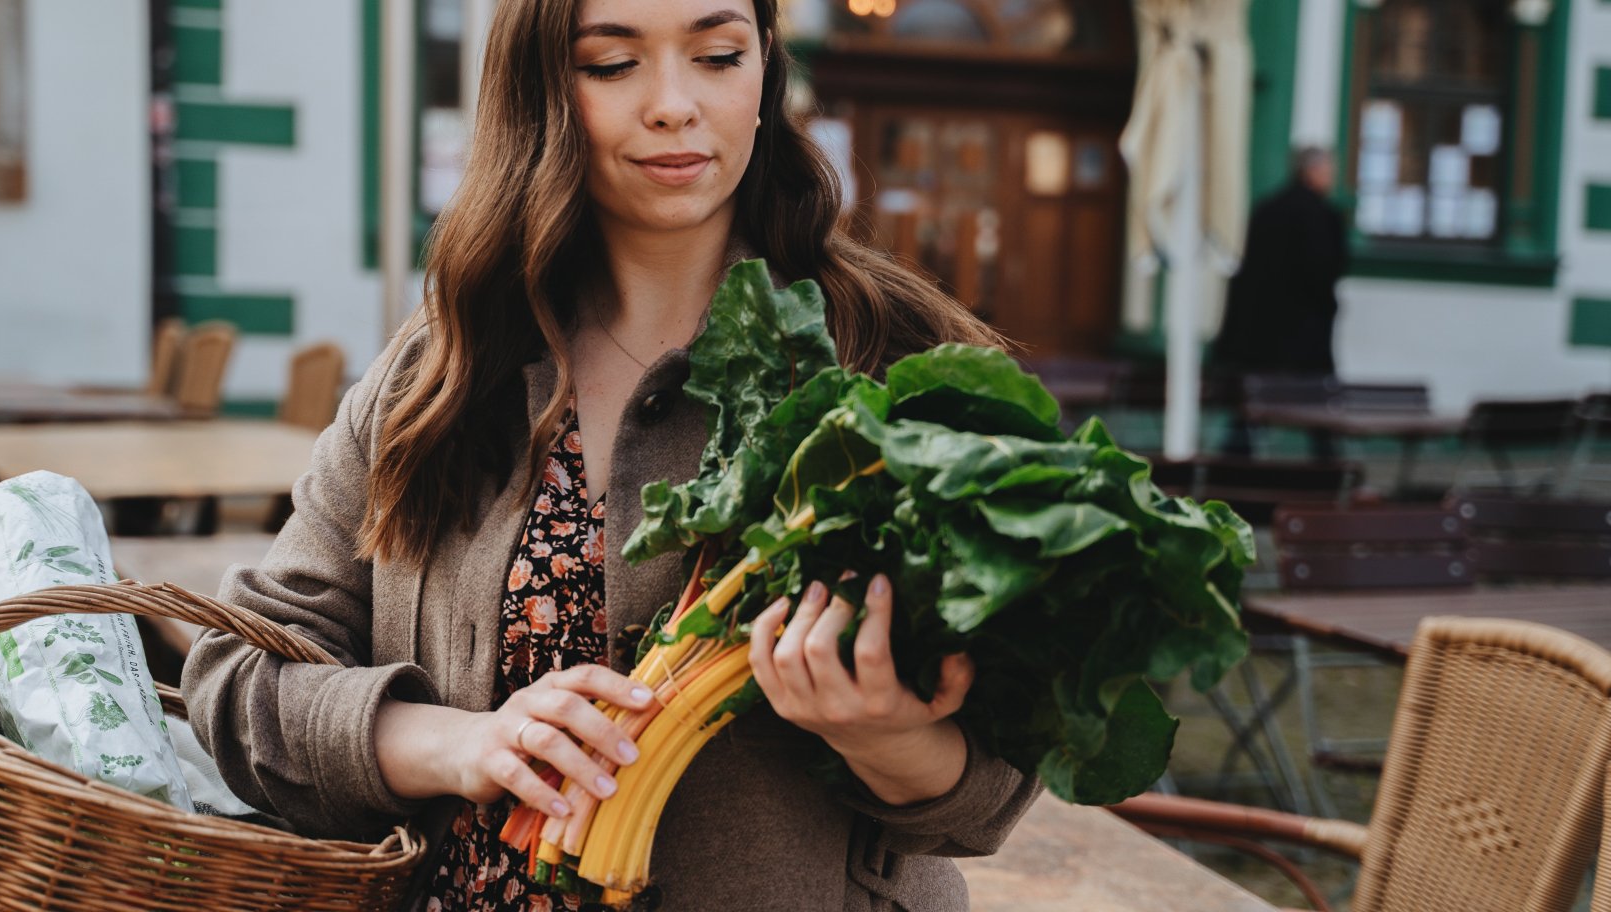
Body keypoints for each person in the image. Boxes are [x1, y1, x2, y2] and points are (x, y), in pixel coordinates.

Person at [181, 1, 1039, 910]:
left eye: (717, 55)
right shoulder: (441, 368)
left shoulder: (891, 363)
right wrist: (456, 743)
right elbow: (241, 681)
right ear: (541, 89)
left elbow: (993, 792)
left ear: (765, 72)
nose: (673, 104)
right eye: (611, 64)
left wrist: (886, 735)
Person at [1212, 146, 1348, 457]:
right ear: (1313, 171)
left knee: (1249, 411)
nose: (1332, 176)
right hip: (1305, 339)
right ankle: (1327, 470)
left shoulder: (1266, 209)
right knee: (1319, 417)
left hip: (1259, 337)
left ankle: (1233, 463)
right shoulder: (1323, 215)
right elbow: (1327, 271)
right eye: (1329, 170)